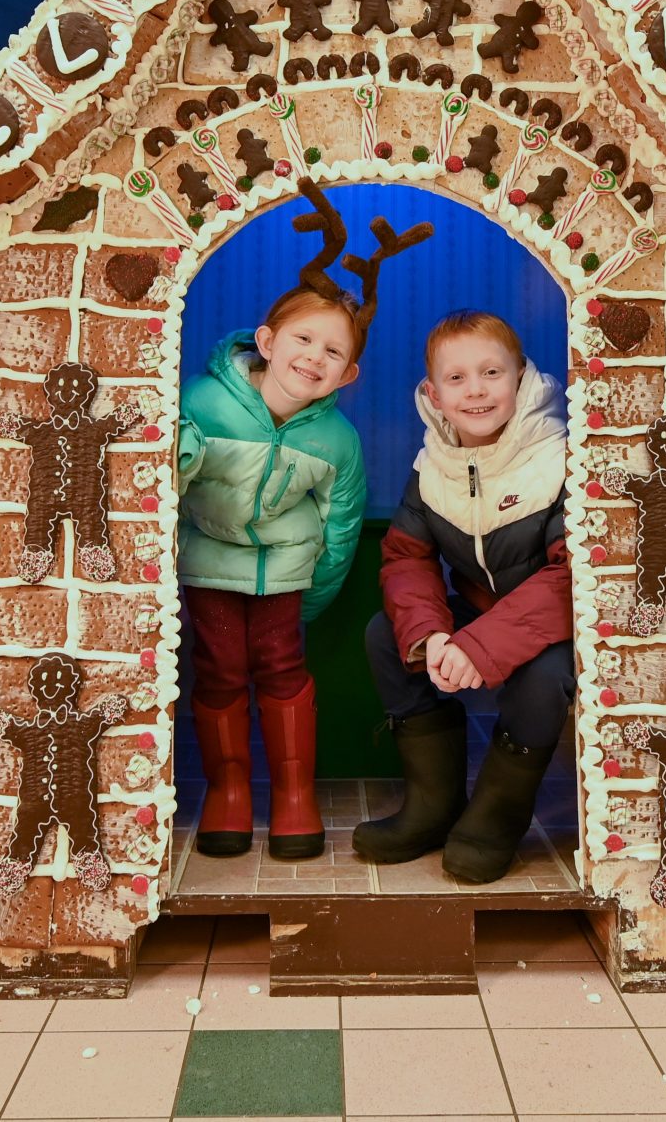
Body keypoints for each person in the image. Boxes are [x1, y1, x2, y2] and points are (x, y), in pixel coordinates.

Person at [175, 183, 429, 860]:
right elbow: (160, 482)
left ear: (348, 375)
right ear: (267, 341)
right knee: (219, 670)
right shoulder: (203, 401)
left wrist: (314, 592)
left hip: (286, 576)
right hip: (209, 565)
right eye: (304, 340)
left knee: (284, 669)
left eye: (333, 353)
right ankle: (229, 792)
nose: (314, 357)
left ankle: (294, 795)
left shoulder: (336, 440)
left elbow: (342, 525)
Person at [355, 310, 574, 882]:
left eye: (491, 373)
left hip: (556, 625)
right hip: (480, 612)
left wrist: (482, 646)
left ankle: (496, 819)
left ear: (521, 376)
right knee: (387, 636)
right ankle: (434, 806)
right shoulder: (434, 465)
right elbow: (407, 558)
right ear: (434, 393)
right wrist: (432, 635)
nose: (475, 390)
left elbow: (571, 577)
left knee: (545, 676)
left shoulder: (561, 458)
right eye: (456, 378)